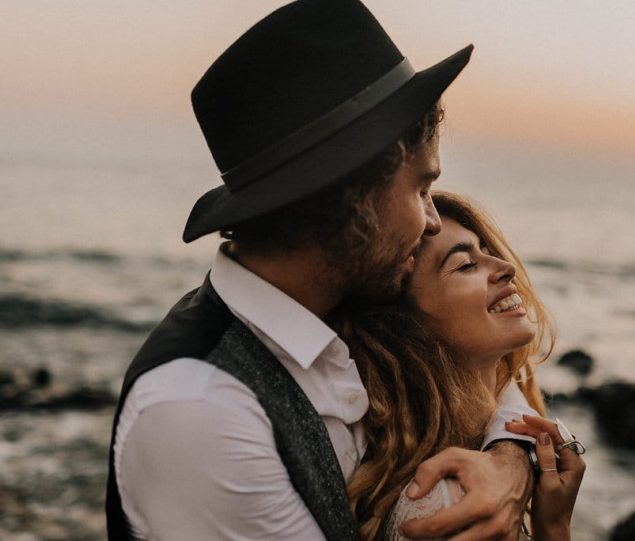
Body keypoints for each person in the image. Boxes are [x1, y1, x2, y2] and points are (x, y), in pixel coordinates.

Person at [105, 1, 543, 539]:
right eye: (420, 189)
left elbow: (483, 373)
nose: (432, 221)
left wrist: (511, 457)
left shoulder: (339, 309)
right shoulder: (200, 410)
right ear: (352, 197)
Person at [330, 191, 586, 540]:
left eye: (487, 251)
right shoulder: (452, 503)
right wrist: (555, 528)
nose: (506, 268)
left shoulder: (483, 427)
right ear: (405, 327)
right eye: (466, 264)